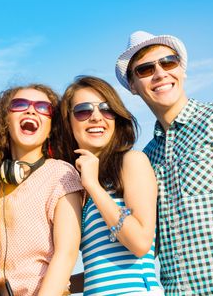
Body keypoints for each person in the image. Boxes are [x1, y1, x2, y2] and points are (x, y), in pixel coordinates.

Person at [115, 30, 213, 294]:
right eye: (145, 69)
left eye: (168, 62)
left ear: (181, 70)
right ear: (132, 86)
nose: (160, 73)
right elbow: (144, 245)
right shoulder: (145, 159)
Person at [56, 75, 162, 295]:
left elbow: (140, 243)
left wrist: (93, 186)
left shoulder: (131, 161)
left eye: (106, 109)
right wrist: (60, 281)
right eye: (83, 110)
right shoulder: (79, 184)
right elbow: (100, 269)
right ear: (68, 122)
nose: (96, 117)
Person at [0, 84, 83, 296]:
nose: (31, 110)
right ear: (5, 120)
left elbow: (66, 254)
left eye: (42, 108)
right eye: (20, 105)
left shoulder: (60, 174)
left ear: (51, 127)